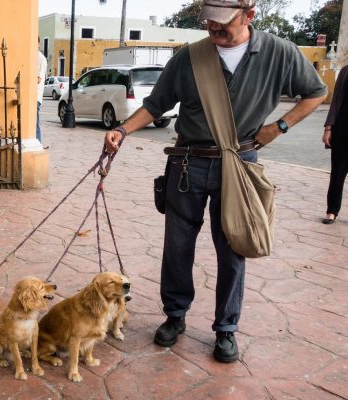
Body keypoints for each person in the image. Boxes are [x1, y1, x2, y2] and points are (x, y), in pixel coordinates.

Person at [103, 0, 327, 363]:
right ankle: (175, 316)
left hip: (238, 165)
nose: (215, 31)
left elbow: (316, 92)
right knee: (177, 246)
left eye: (224, 24)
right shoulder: (190, 56)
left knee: (233, 248)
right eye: (209, 24)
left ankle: (226, 329)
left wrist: (278, 127)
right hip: (188, 164)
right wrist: (121, 130)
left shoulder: (279, 52)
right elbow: (156, 104)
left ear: (249, 15)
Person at [322, 64, 348, 224]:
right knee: (337, 173)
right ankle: (332, 211)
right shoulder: (346, 71)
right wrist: (328, 128)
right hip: (343, 130)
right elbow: (336, 102)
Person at [37, 37, 47, 148]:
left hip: (36, 96)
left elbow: (38, 79)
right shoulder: (31, 57)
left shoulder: (41, 59)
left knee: (35, 123)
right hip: (30, 96)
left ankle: (38, 144)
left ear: (39, 44)